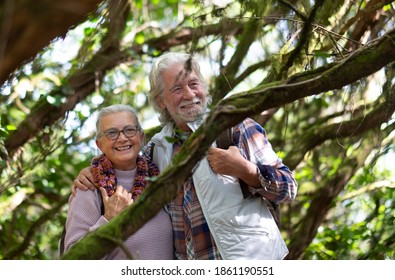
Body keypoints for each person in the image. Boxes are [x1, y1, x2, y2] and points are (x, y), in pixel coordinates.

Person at [73, 52, 298, 260]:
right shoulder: (156, 149)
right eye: (177, 89)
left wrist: (245, 170)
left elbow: (289, 188)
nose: (189, 94)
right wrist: (91, 172)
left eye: (193, 84)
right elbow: (124, 161)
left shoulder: (235, 127)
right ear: (161, 100)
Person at [64, 104, 174, 259]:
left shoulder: (160, 178)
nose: (122, 138)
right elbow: (72, 260)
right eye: (112, 133)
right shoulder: (89, 188)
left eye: (129, 130)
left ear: (141, 137)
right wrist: (108, 220)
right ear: (99, 145)